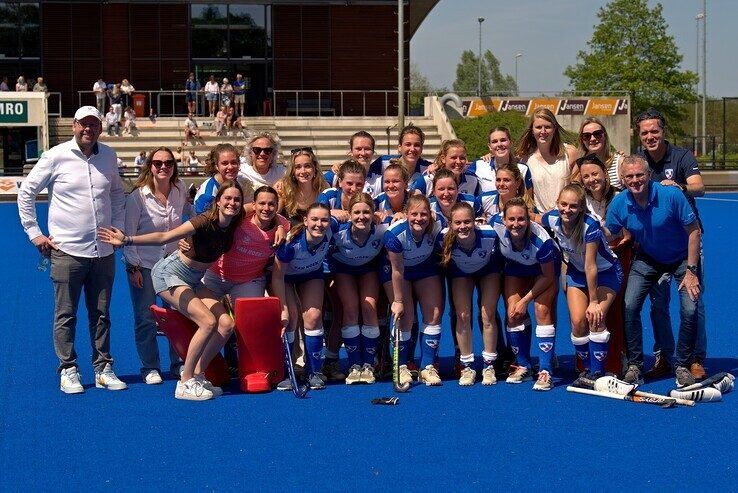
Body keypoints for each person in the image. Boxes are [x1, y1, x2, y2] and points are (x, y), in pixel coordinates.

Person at [99, 181, 246, 401]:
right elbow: (164, 237)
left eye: (237, 199)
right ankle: (185, 382)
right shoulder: (204, 221)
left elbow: (265, 210)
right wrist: (126, 240)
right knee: (207, 322)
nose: (232, 203)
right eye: (227, 198)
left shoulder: (234, 225)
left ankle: (198, 374)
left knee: (226, 324)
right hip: (170, 274)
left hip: (195, 280)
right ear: (218, 201)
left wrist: (281, 227)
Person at [17, 105, 127, 394]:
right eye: (83, 124)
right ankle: (68, 368)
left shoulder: (109, 156)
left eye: (93, 124)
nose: (88, 129)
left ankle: (103, 367)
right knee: (66, 314)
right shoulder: (55, 156)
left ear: (100, 128)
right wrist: (35, 234)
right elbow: (26, 192)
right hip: (67, 250)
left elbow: (116, 193)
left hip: (103, 251)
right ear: (74, 126)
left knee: (101, 314)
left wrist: (117, 227)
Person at [605, 155, 704, 389]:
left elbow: (694, 231)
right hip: (648, 259)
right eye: (629, 176)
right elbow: (609, 233)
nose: (635, 180)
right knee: (629, 306)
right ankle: (635, 366)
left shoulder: (671, 195)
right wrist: (584, 231)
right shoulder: (619, 203)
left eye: (640, 175)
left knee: (690, 308)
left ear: (649, 175)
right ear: (622, 179)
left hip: (681, 259)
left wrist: (691, 271)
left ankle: (682, 364)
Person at [635, 108, 707, 380]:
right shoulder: (637, 161)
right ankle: (664, 356)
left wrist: (680, 187)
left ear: (663, 132)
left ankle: (696, 358)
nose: (650, 136)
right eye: (645, 132)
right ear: (639, 135)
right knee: (658, 304)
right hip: (652, 245)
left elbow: (699, 186)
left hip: (685, 240)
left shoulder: (682, 156)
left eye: (655, 131)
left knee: (693, 301)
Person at [541, 184, 622, 379]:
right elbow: (533, 219)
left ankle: (598, 373)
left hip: (606, 272)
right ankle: (587, 370)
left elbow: (591, 265)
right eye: (563, 204)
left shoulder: (590, 226)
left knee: (596, 318)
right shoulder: (551, 218)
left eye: (573, 206)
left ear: (581, 208)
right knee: (578, 322)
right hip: (576, 273)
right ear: (557, 203)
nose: (567, 210)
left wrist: (594, 301)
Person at [123, 147, 189, 383]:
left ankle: (179, 362)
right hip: (146, 265)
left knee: (177, 315)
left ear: (174, 167)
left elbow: (188, 219)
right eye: (158, 163)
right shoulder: (137, 197)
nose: (163, 167)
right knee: (145, 317)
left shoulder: (180, 190)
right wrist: (133, 268)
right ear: (150, 166)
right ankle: (149, 367)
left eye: (168, 163)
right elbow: (127, 234)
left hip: (173, 266)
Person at [490, 197, 559, 390]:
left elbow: (547, 277)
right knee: (513, 312)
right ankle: (524, 365)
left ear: (528, 220)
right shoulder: (494, 223)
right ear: (503, 220)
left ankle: (545, 370)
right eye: (511, 219)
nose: (516, 224)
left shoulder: (542, 242)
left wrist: (526, 300)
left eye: (521, 219)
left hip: (544, 271)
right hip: (516, 267)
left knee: (541, 310)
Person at [383, 194, 445, 386]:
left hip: (424, 268)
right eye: (414, 214)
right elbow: (397, 270)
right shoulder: (394, 234)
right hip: (397, 271)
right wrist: (398, 301)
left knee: (434, 314)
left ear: (431, 215)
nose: (419, 219)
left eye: (424, 214)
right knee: (406, 316)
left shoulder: (438, 226)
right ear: (406, 214)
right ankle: (401, 366)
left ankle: (427, 367)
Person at [439, 202, 501, 386]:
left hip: (488, 271)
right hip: (460, 273)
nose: (463, 226)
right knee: (463, 315)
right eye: (457, 223)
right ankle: (467, 366)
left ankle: (489, 365)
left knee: (487, 314)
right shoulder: (442, 239)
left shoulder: (490, 235)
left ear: (475, 222)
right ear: (450, 223)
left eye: (467, 222)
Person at [275, 203, 335, 390]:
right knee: (291, 317)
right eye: (314, 219)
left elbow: (357, 223)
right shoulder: (290, 244)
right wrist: (283, 307)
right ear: (305, 221)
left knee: (314, 317)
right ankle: (288, 370)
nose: (319, 224)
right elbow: (277, 276)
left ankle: (313, 371)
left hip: (311, 275)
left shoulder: (334, 228)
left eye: (324, 220)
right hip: (285, 278)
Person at [329, 193, 387, 384]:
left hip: (368, 269)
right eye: (357, 212)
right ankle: (354, 365)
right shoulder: (338, 230)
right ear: (349, 214)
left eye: (366, 212)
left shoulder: (382, 230)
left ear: (374, 213)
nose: (361, 216)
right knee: (351, 308)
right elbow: (313, 222)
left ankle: (369, 364)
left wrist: (399, 215)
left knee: (369, 307)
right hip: (343, 269)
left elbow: (404, 219)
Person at [516, 108, 579, 213]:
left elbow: (578, 189)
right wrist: (491, 155)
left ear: (554, 129)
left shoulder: (570, 153)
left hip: (567, 217)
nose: (543, 131)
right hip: (540, 221)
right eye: (538, 127)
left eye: (547, 127)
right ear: (532, 130)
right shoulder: (524, 159)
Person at [366, 124, 431, 197]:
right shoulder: (383, 163)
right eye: (408, 144)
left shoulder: (427, 168)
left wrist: (436, 167)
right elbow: (365, 178)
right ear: (399, 147)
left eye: (417, 145)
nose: (412, 149)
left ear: (421, 148)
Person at [194, 143, 254, 214]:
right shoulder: (208, 195)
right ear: (217, 166)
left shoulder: (243, 182)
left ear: (239, 164)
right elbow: (202, 224)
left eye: (234, 162)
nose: (230, 167)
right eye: (225, 163)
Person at [278, 147, 328, 226]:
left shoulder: (323, 188)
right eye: (298, 167)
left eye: (307, 166)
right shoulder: (284, 189)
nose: (303, 171)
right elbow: (275, 216)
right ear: (293, 171)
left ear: (314, 169)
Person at [573, 117, 623, 190]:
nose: (592, 139)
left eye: (597, 134)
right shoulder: (578, 167)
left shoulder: (619, 163)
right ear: (582, 140)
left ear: (605, 136)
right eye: (587, 136)